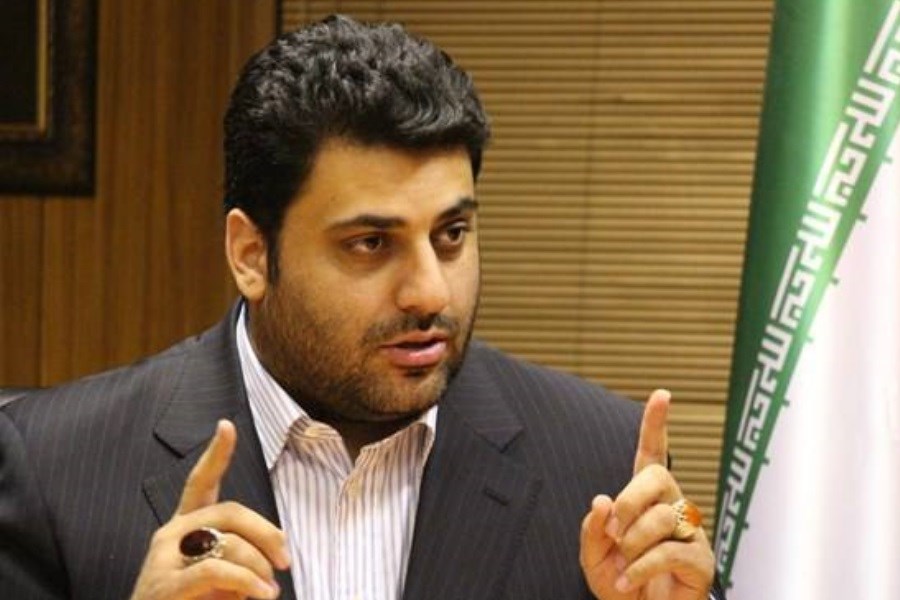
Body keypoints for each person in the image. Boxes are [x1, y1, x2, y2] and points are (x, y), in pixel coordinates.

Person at [0, 14, 723, 600]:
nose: (430, 293)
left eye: (451, 234)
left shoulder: (605, 461)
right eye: (371, 244)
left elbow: (686, 553)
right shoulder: (53, 470)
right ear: (251, 255)